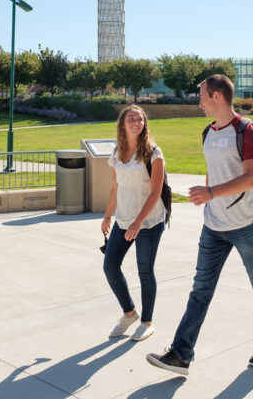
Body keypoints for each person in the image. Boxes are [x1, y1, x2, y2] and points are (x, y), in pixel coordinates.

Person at [147, 74, 253, 376]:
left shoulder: (249, 131)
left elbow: (249, 177)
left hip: (247, 224)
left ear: (218, 96)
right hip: (213, 226)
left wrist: (210, 193)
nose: (200, 102)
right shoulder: (207, 133)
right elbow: (215, 172)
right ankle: (181, 354)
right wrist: (209, 198)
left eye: (203, 96)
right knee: (200, 290)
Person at [101, 105, 166, 343]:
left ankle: (147, 322)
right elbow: (115, 187)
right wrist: (108, 216)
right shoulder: (118, 152)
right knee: (110, 266)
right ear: (123, 123)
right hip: (123, 219)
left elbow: (156, 192)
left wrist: (138, 223)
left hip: (148, 221)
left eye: (140, 119)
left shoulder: (153, 153)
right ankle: (129, 313)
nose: (136, 122)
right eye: (131, 118)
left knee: (145, 272)